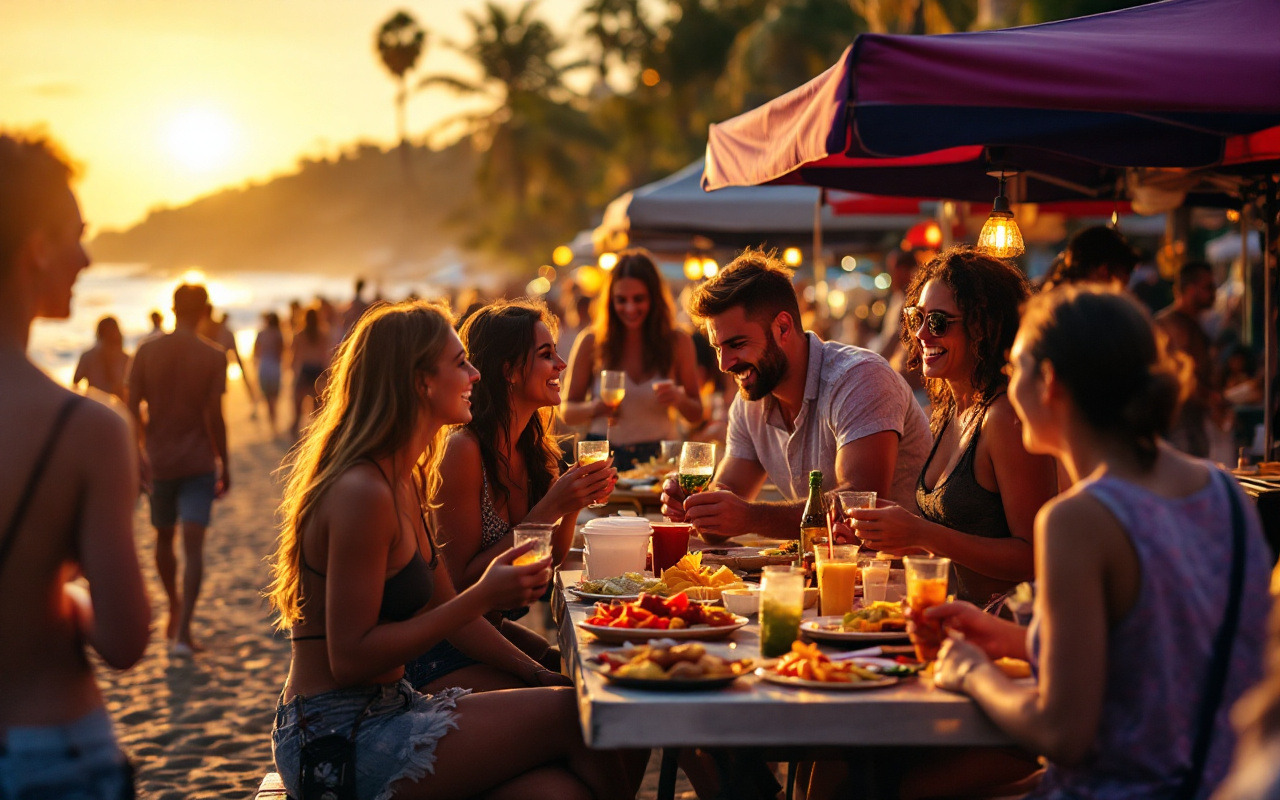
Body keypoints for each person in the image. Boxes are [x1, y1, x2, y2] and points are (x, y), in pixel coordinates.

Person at [265, 299, 633, 800]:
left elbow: (443, 605)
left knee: (556, 789)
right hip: (336, 737)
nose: (476, 374)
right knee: (584, 714)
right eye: (461, 363)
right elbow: (350, 659)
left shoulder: (403, 478)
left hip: (394, 707)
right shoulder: (362, 492)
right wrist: (482, 596)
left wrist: (539, 673)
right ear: (421, 381)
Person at [926, 286, 1270, 799]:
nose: (1008, 385)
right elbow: (1162, 651)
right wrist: (1012, 640)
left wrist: (974, 673)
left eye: (1015, 367)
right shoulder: (1225, 491)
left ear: (1051, 383)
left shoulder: (1077, 520)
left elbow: (1062, 733)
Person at [0, 131, 149, 798]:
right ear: (35, 247)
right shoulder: (86, 429)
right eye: (76, 234)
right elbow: (123, 639)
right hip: (51, 753)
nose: (87, 257)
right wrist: (63, 596)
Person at [410, 300, 617, 692]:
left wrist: (571, 507)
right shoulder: (464, 451)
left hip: (491, 631)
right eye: (545, 354)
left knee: (601, 680)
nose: (562, 364)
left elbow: (548, 562)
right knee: (577, 696)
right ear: (509, 372)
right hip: (439, 645)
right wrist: (551, 507)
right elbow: (457, 587)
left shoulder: (540, 454)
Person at [661, 247, 932, 541]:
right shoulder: (751, 400)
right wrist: (696, 505)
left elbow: (859, 505)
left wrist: (750, 517)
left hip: (901, 575)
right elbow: (722, 519)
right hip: (826, 574)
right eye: (718, 348)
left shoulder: (860, 377)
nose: (724, 365)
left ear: (783, 327)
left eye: (737, 344)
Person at [839, 248, 1058, 605]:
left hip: (1002, 635)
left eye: (938, 321)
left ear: (983, 328)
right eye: (916, 318)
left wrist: (923, 533)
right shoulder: (950, 411)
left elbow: (1033, 557)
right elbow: (955, 550)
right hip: (952, 622)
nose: (923, 334)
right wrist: (883, 539)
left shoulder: (1003, 418)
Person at [129, 283, 230, 655]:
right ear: (205, 312)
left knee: (162, 539)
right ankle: (184, 629)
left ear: (172, 309)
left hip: (158, 461)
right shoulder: (213, 356)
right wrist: (226, 463)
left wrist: (138, 450)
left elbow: (131, 405)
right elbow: (215, 417)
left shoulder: (145, 351)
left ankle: (174, 604)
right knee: (194, 547)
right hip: (198, 460)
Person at [561, 249, 703, 469]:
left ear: (654, 299)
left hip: (659, 457)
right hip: (602, 452)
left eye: (639, 299)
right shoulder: (592, 341)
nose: (630, 308)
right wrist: (595, 408)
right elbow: (567, 411)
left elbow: (696, 413)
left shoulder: (677, 341)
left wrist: (679, 398)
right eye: (621, 300)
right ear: (609, 301)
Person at [1156, 260, 1218, 458]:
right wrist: (1211, 399)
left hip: (1192, 425)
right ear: (1191, 290)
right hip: (1178, 428)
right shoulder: (1172, 325)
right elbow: (1181, 377)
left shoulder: (1191, 324)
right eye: (1208, 287)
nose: (1214, 293)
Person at [1040, 225, 1140, 292]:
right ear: (1104, 272)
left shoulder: (1048, 303)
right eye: (1124, 281)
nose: (1125, 289)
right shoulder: (1092, 313)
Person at [290, 306, 331, 438]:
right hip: (317, 370)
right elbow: (325, 356)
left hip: (305, 369)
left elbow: (294, 356)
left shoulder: (299, 334)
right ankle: (315, 436)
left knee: (297, 407)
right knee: (317, 409)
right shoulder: (323, 333)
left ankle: (294, 436)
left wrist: (293, 372)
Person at [73, 315, 130, 401]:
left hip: (94, 407)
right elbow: (132, 390)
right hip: (118, 409)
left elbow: (75, 384)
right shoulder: (126, 359)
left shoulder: (87, 356)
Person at [253, 311, 286, 434]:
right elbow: (281, 352)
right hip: (275, 368)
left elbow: (255, 351)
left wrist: (255, 364)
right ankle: (274, 422)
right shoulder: (278, 334)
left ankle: (272, 423)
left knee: (267, 399)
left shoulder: (261, 333)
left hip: (263, 367)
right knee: (274, 398)